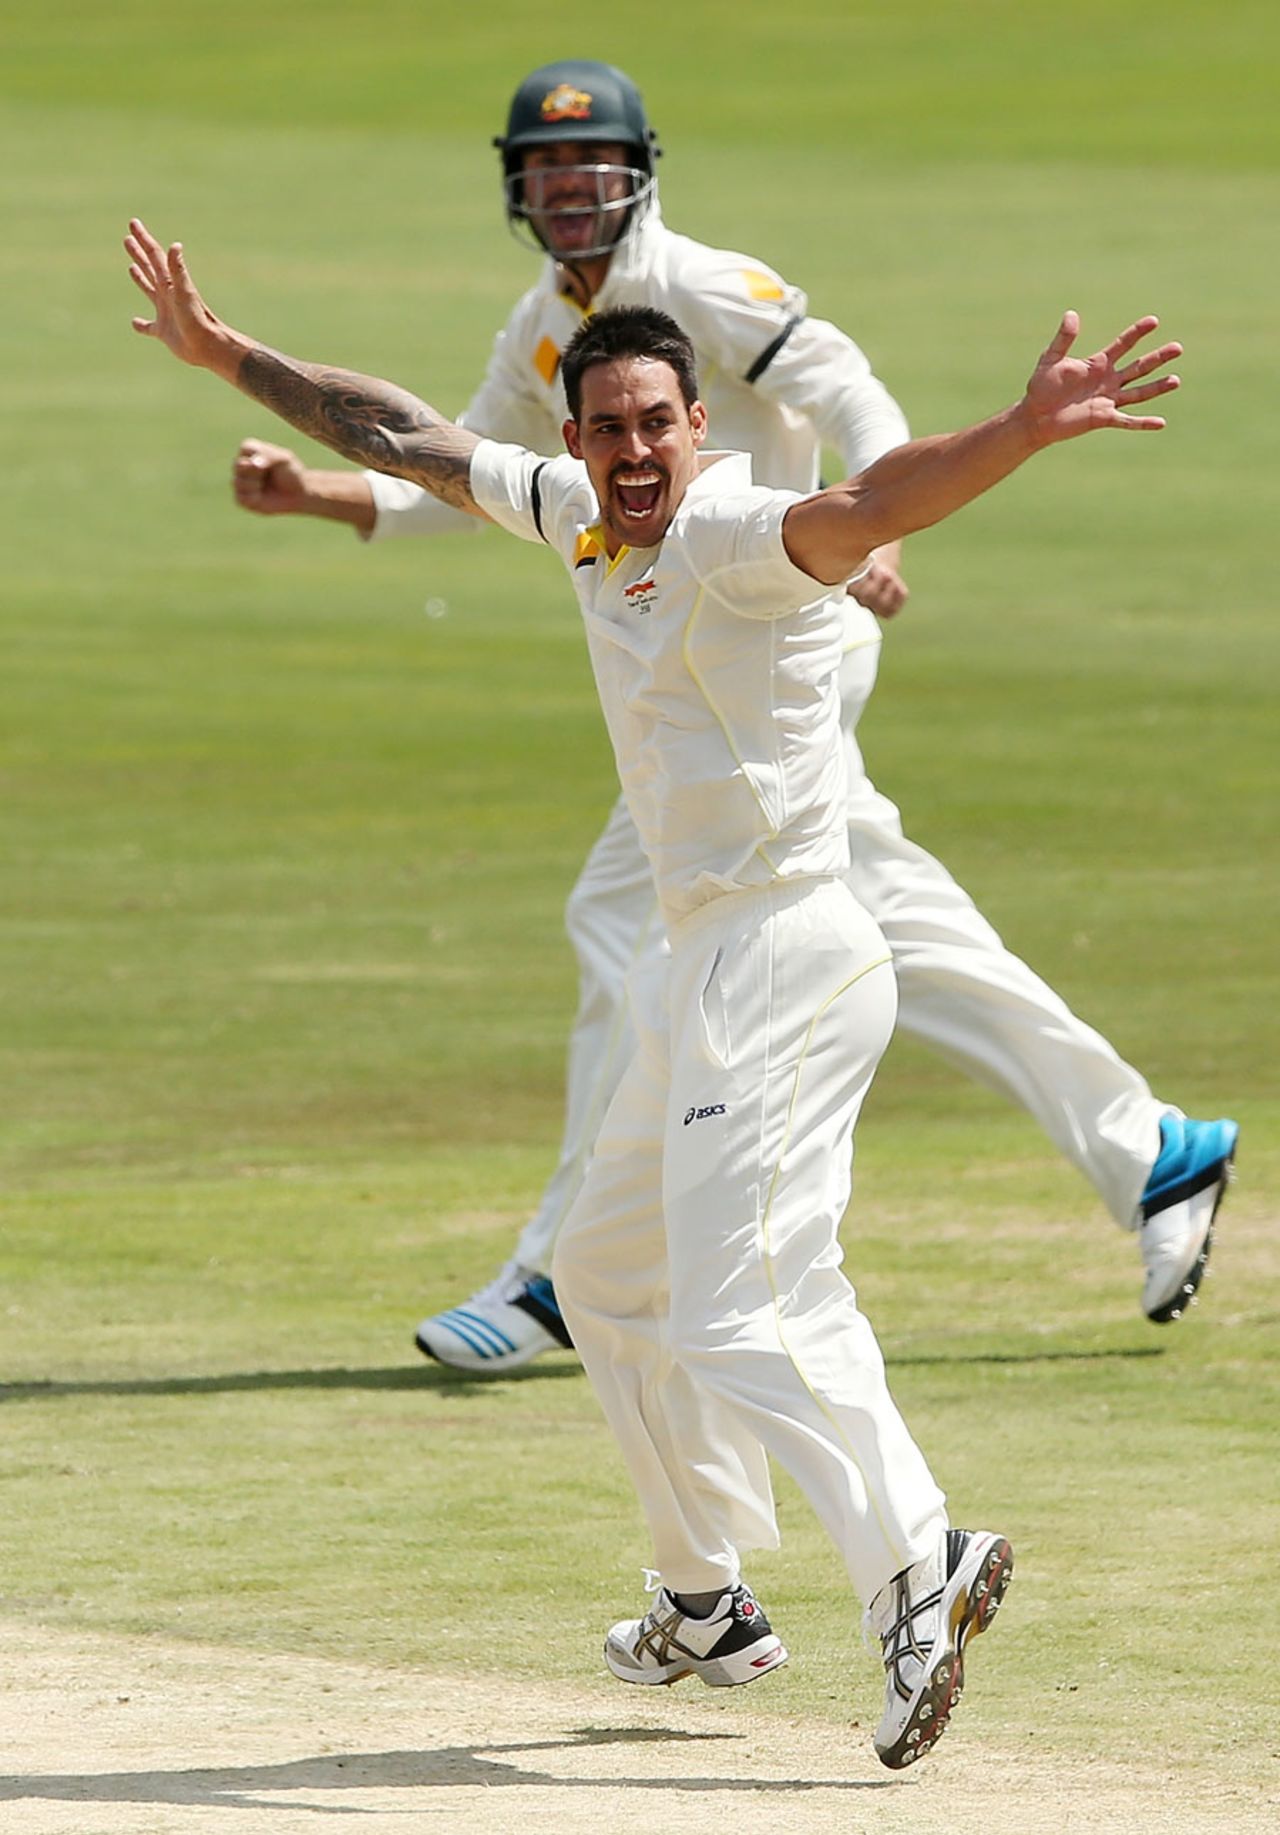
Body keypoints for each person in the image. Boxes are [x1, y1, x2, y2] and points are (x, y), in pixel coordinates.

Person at [126, 211, 1180, 1764]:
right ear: (578, 435)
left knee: (744, 1297)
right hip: (699, 965)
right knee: (610, 1278)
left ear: (701, 431)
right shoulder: (568, 511)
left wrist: (1020, 432)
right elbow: (405, 434)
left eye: (659, 426)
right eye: (608, 426)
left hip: (790, 956)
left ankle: (918, 1563)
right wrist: (227, 357)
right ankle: (705, 1597)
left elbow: (875, 499)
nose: (633, 451)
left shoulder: (735, 537)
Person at [228, 61, 1237, 1371]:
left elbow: (844, 381)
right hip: (700, 658)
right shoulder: (540, 324)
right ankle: (1154, 1150)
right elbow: (464, 469)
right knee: (869, 915)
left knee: (628, 912)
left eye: (590, 170)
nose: (569, 192)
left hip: (774, 629)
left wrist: (877, 520)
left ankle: (556, 1268)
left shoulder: (702, 286)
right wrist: (317, 492)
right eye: (543, 173)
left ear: (639, 171)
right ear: (516, 190)